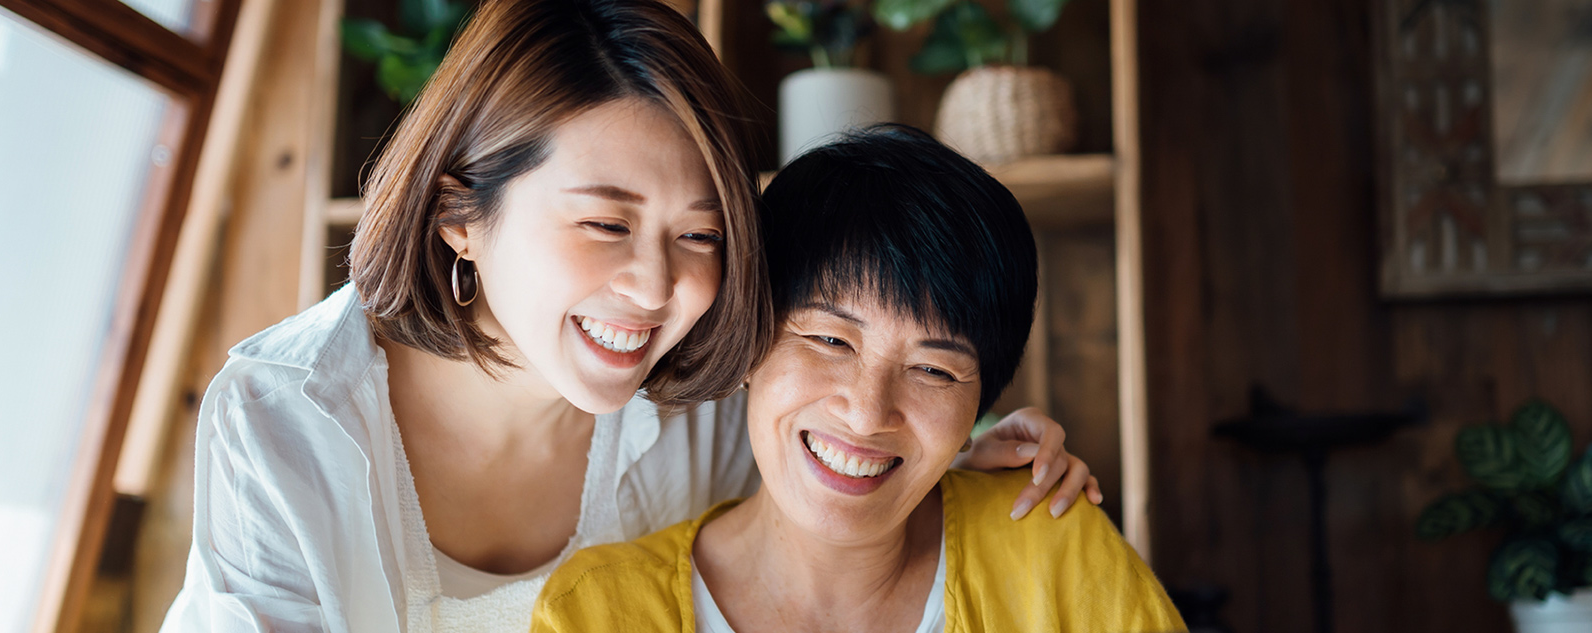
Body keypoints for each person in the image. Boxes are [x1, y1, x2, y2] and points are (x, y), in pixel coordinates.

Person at [159, 2, 1099, 631]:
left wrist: (960, 466)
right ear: (459, 216)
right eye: (605, 222)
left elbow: (846, 452)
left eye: (698, 235)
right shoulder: (285, 419)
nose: (656, 288)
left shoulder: (710, 405)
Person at [533, 126, 1184, 633]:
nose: (869, 411)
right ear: (750, 340)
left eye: (933, 369)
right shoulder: (598, 610)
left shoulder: (1051, 551)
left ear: (979, 399)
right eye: (830, 340)